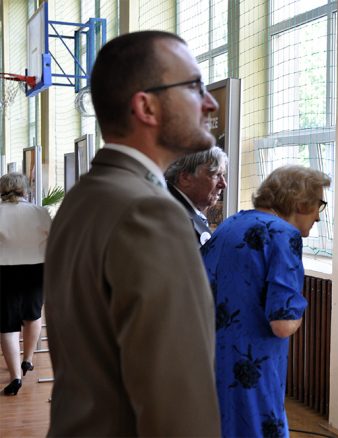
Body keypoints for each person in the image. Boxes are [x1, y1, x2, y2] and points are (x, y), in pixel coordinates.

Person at [44, 31, 221, 435]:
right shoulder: (149, 211)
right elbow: (177, 403)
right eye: (194, 86)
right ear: (146, 106)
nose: (209, 102)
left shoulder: (84, 197)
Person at [202, 165, 330, 437]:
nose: (319, 216)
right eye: (319, 204)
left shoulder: (230, 225)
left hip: (210, 360)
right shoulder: (283, 234)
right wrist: (298, 308)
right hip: (252, 367)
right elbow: (282, 324)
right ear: (300, 202)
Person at [0, 173, 52, 396]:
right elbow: (54, 238)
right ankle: (28, 359)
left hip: (4, 270)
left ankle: (15, 377)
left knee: (7, 325)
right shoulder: (39, 212)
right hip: (35, 269)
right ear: (24, 190)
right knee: (33, 314)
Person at [165, 146, 228, 246]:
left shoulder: (177, 209)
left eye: (223, 175)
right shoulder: (172, 218)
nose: (223, 184)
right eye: (216, 175)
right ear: (185, 178)